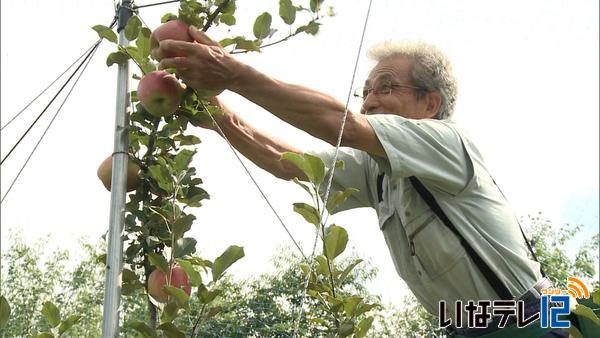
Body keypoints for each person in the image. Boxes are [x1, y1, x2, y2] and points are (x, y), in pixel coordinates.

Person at [152, 25, 568, 337]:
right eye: (365, 91)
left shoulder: (447, 142)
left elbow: (342, 125)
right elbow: (288, 162)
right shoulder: (377, 170)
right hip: (470, 328)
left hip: (532, 318)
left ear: (430, 103)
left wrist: (234, 74)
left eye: (386, 88)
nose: (369, 101)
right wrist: (221, 116)